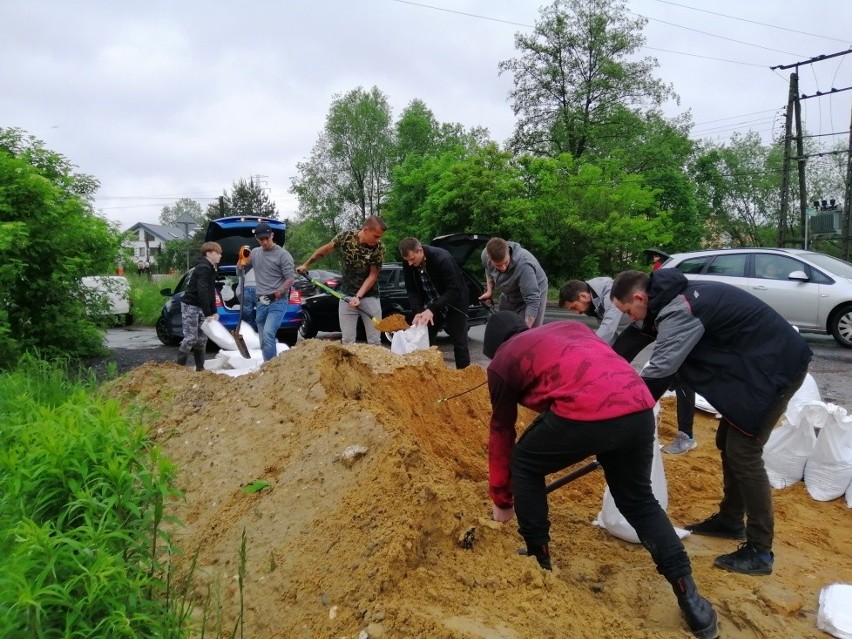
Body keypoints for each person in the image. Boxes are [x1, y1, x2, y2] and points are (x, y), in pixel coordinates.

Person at [482, 311, 718, 639]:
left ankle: (539, 559)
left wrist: (502, 498)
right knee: (638, 501)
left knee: (524, 463)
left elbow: (501, 431)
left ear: (495, 348)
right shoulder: (571, 328)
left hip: (585, 412)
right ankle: (691, 599)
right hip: (637, 406)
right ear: (525, 328)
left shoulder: (501, 363)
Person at [611, 269, 812, 576]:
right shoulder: (664, 301)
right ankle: (731, 520)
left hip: (776, 370)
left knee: (743, 451)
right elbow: (632, 340)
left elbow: (662, 369)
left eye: (627, 311)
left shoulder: (680, 310)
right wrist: (601, 368)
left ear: (640, 298)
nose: (629, 317)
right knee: (727, 443)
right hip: (752, 368)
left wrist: (630, 418)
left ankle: (760, 551)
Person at [559, 278, 698, 455]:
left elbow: (607, 330)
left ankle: (686, 436)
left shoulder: (609, 294)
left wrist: (584, 357)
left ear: (583, 296)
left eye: (573, 307)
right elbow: (611, 337)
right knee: (611, 361)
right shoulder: (593, 300)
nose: (576, 313)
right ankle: (602, 412)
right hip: (641, 323)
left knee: (680, 373)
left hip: (664, 321)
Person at [296, 216, 386, 346]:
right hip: (346, 295)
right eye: (376, 236)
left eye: (380, 237)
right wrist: (306, 265)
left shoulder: (379, 248)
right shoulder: (346, 237)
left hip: (369, 296)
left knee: (375, 341)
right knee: (348, 341)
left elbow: (372, 276)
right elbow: (325, 250)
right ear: (365, 230)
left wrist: (358, 296)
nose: (378, 240)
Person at [398, 237, 470, 369]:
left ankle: (464, 375)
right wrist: (417, 311)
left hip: (454, 302)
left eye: (412, 259)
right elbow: (412, 289)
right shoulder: (408, 262)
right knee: (425, 335)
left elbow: (453, 290)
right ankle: (427, 373)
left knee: (459, 341)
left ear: (420, 251)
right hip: (432, 301)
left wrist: (432, 309)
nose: (409, 263)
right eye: (406, 260)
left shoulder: (442, 258)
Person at [246, 221, 295, 362]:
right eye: (261, 239)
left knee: (268, 333)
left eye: (267, 238)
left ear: (272, 235)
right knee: (263, 339)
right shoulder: (255, 253)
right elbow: (241, 270)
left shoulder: (283, 255)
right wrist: (241, 261)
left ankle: (270, 368)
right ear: (257, 239)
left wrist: (278, 293)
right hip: (261, 301)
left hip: (277, 301)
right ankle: (270, 364)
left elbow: (290, 279)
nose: (265, 242)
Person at [479, 237, 548, 328]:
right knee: (503, 327)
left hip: (534, 294)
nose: (503, 267)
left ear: (509, 253)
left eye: (505, 262)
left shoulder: (524, 265)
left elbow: (533, 300)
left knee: (528, 335)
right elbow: (488, 270)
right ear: (489, 258)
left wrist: (523, 331)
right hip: (509, 293)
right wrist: (489, 291)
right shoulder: (485, 255)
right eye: (498, 265)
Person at [178, 241, 222, 371]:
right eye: (218, 253)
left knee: (202, 339)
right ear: (208, 253)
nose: (220, 255)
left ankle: (200, 369)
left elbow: (210, 291)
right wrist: (208, 313)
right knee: (191, 338)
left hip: (201, 307)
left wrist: (213, 311)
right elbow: (202, 290)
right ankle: (178, 368)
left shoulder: (211, 268)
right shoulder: (203, 268)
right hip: (191, 306)